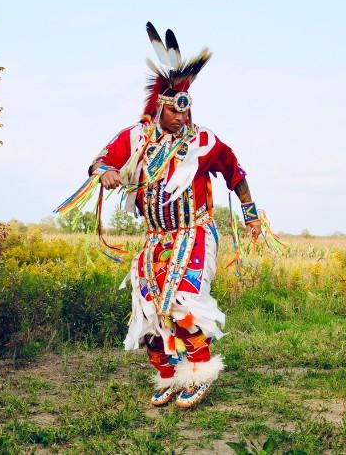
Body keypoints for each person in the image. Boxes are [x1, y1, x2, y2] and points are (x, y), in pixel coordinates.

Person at [83, 23, 262, 408]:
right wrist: (107, 172)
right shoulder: (134, 139)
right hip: (156, 237)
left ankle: (199, 372)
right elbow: (98, 162)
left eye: (187, 108)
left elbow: (236, 173)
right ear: (158, 108)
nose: (183, 116)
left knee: (182, 300)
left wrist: (251, 216)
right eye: (175, 109)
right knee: (149, 305)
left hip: (194, 232)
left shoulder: (202, 142)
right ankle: (167, 373)